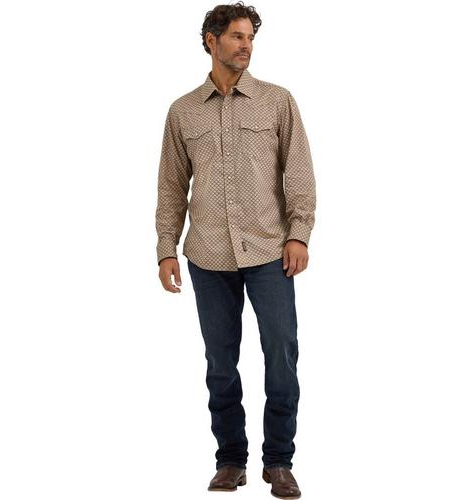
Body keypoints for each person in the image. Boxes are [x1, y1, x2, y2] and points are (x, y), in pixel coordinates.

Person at [155, 3, 316, 498]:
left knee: (281, 356)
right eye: (237, 37)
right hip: (207, 256)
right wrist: (165, 249)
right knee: (220, 363)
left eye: (251, 38)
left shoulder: (277, 101)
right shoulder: (183, 111)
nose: (246, 46)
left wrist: (299, 233)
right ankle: (230, 460)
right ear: (212, 40)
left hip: (270, 251)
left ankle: (279, 461)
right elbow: (171, 186)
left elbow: (299, 171)